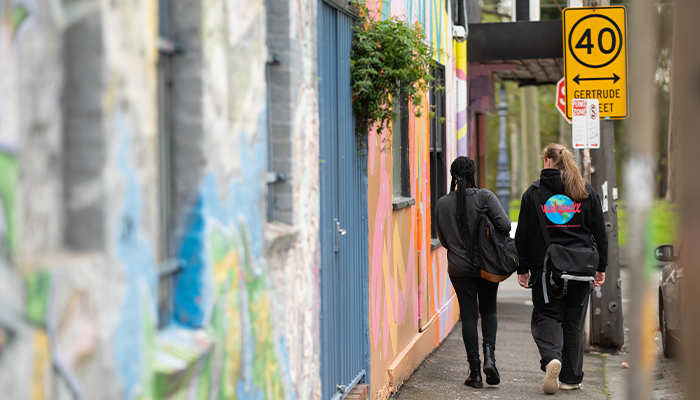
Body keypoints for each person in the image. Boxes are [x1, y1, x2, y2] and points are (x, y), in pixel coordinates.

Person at [515, 143, 608, 394]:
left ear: (547, 160)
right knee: (574, 321)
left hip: (546, 270)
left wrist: (522, 268)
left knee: (547, 315)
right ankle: (571, 378)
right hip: (582, 268)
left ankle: (551, 357)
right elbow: (600, 231)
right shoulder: (585, 190)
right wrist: (601, 267)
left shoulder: (534, 193)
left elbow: (522, 235)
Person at [435, 156, 511, 389]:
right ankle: (490, 358)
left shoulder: (442, 204)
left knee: (468, 316)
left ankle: (475, 372)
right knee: (488, 310)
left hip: (459, 269)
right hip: (487, 266)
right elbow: (506, 226)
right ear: (472, 173)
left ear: (453, 175)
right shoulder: (485, 197)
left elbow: (443, 240)